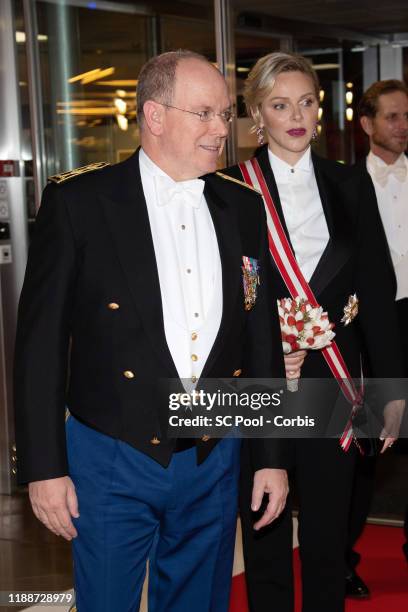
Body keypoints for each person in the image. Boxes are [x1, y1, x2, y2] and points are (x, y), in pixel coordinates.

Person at [13, 50, 289, 612]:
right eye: (205, 113)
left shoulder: (244, 209)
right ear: (155, 116)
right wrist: (44, 468)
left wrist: (270, 455)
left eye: (225, 113)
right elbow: (38, 347)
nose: (222, 129)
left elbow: (258, 339)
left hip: (213, 453)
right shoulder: (79, 202)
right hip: (112, 452)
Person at [224, 52, 405, 612]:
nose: (296, 116)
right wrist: (272, 345)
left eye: (306, 102)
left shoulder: (349, 183)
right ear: (258, 112)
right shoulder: (229, 188)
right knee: (266, 530)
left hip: (337, 377)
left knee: (329, 531)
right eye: (280, 105)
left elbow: (376, 287)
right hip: (262, 384)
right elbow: (218, 296)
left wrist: (394, 389)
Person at [343, 79, 408, 597]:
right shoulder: (343, 186)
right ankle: (342, 555)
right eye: (391, 117)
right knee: (365, 450)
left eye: (406, 115)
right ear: (366, 124)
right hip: (367, 330)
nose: (403, 125)